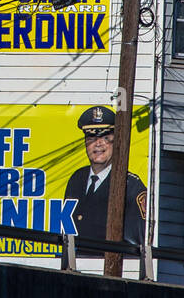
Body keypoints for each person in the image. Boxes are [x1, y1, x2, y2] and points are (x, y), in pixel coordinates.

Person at [62, 105, 147, 245]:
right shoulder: (77, 179)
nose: (98, 144)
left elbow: (136, 245)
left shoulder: (131, 187)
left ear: (117, 141)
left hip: (111, 264)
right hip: (74, 262)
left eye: (105, 137)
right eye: (91, 137)